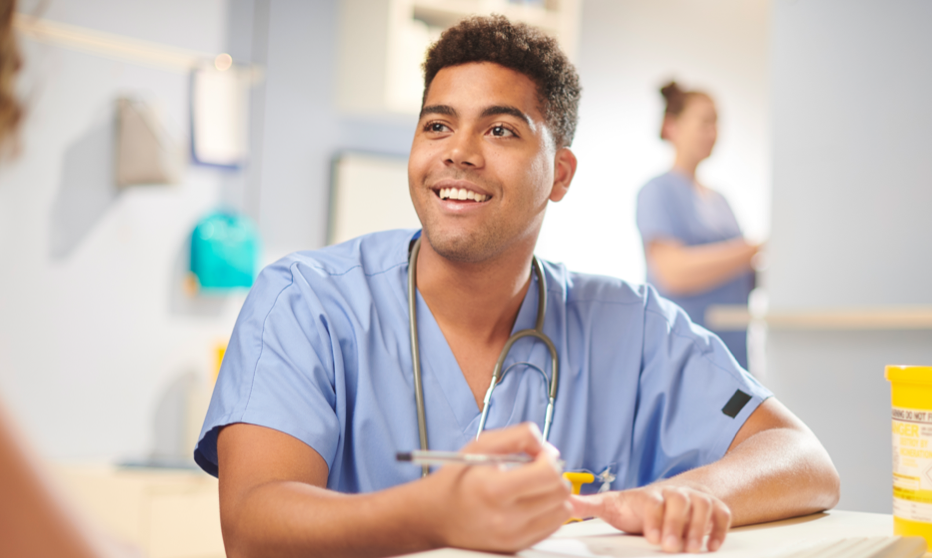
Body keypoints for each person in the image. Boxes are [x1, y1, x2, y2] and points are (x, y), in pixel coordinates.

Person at [195, 16, 839, 558]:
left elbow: (802, 458)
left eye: (500, 130)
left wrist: (694, 492)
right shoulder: (305, 302)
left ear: (560, 174)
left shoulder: (631, 325)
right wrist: (433, 513)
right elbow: (251, 525)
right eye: (438, 125)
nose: (460, 152)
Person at [636, 82, 761, 369]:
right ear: (672, 127)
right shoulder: (657, 191)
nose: (713, 132)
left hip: (732, 353)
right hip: (680, 354)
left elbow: (744, 276)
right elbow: (673, 272)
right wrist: (752, 249)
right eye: (704, 122)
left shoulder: (721, 200)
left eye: (717, 123)